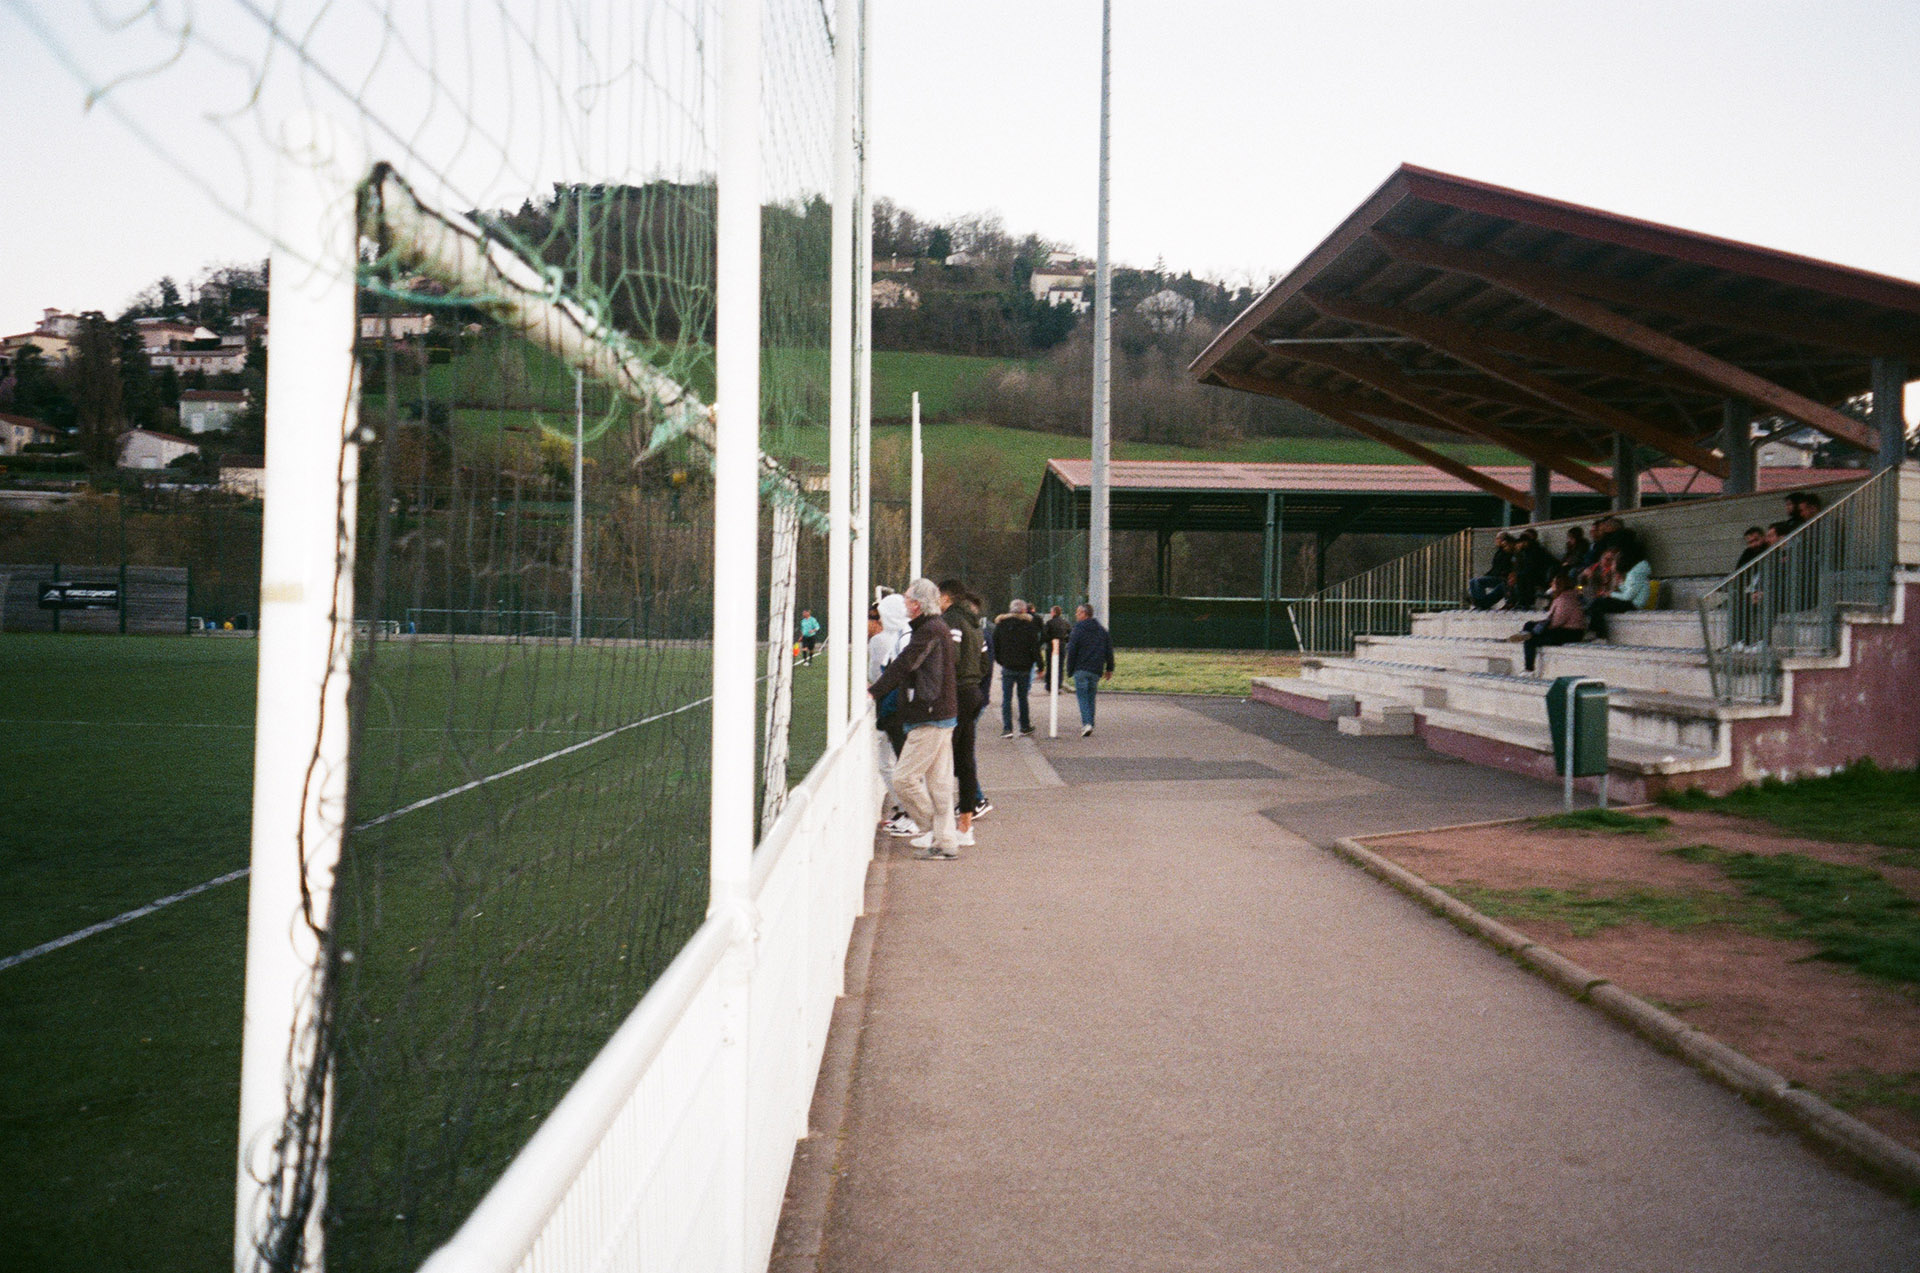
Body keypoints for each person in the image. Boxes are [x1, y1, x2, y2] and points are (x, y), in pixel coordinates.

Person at [866, 578, 961, 859]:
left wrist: (874, 690)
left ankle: (933, 830)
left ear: (917, 604)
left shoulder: (928, 631)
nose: (904, 603)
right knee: (939, 785)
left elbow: (905, 663)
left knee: (903, 778)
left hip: (929, 715)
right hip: (941, 714)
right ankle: (946, 843)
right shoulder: (935, 628)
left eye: (907, 599)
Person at [939, 579, 987, 844]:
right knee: (965, 760)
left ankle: (943, 828)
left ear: (946, 598)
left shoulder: (952, 621)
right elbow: (984, 662)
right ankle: (965, 827)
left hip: (955, 693)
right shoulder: (975, 623)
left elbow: (951, 656)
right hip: (972, 692)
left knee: (943, 761)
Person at [869, 594, 915, 836]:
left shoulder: (891, 640)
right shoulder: (905, 636)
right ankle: (908, 811)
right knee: (901, 763)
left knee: (897, 764)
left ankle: (912, 813)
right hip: (900, 708)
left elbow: (881, 675)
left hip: (897, 709)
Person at [1509, 571, 1587, 673]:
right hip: (1565, 629)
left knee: (1531, 641)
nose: (1551, 585)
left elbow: (1557, 621)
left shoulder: (1565, 599)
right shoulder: (1565, 597)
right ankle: (1528, 633)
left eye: (1553, 583)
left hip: (1570, 632)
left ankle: (1529, 669)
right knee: (1529, 624)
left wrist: (1543, 627)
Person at [993, 599, 1042, 738]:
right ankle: (1025, 726)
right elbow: (1035, 648)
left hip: (1008, 666)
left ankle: (1007, 729)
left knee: (1006, 698)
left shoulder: (1001, 625)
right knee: (1022, 698)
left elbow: (995, 645)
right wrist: (1040, 665)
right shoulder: (1029, 626)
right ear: (1023, 610)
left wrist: (1001, 661)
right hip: (1025, 667)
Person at [1063, 603, 1115, 737]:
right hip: (1096, 669)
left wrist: (1069, 669)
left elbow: (1072, 650)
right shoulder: (1102, 630)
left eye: (1078, 612)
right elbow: (1109, 650)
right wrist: (1109, 668)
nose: (1076, 615)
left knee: (1082, 697)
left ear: (1084, 614)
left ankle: (1087, 724)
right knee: (1091, 697)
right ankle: (1090, 722)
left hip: (1081, 668)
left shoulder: (1078, 629)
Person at [1585, 547, 1651, 640]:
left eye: (1614, 561)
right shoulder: (1633, 573)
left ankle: (1597, 633)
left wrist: (1610, 594)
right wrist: (1620, 583)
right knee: (1598, 604)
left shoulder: (1635, 574)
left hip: (1634, 605)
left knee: (1599, 603)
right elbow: (1628, 590)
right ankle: (1597, 633)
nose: (1613, 564)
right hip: (1630, 602)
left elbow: (1627, 597)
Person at [1508, 528, 1559, 610]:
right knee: (1519, 577)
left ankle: (1525, 602)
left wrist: (1517, 574)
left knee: (1523, 577)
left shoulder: (1536, 550)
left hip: (1540, 575)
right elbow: (1519, 566)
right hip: (1531, 574)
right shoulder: (1523, 552)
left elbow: (1532, 566)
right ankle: (1517, 602)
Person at [1468, 532, 1516, 609]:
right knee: (1472, 581)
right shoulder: (1500, 551)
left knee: (1478, 581)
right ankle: (1479, 601)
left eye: (1498, 539)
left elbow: (1505, 566)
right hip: (1496, 575)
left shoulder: (1508, 552)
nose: (1496, 541)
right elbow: (1495, 567)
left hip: (1502, 576)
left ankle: (1480, 602)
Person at [1040, 604, 1073, 684]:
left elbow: (1044, 635)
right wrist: (1065, 640)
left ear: (1054, 612)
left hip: (1051, 646)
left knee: (1050, 665)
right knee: (1060, 666)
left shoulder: (1049, 623)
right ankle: (1058, 684)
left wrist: (1048, 640)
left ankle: (1049, 684)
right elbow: (1071, 634)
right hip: (1061, 646)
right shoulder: (1065, 623)